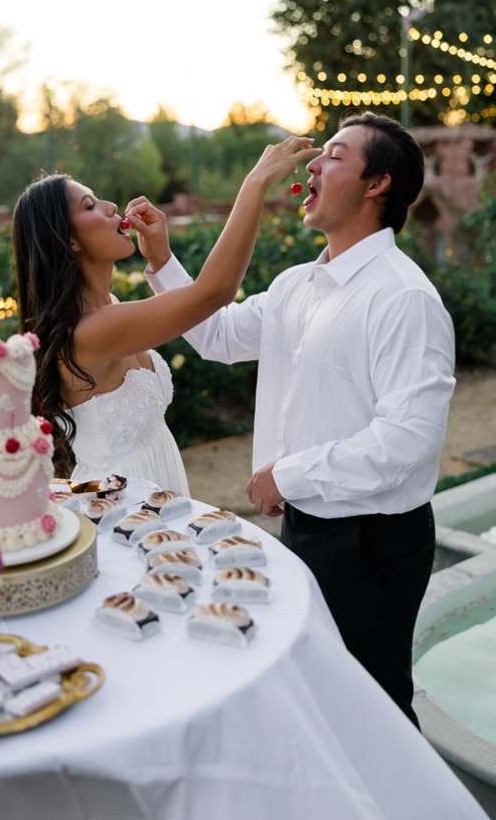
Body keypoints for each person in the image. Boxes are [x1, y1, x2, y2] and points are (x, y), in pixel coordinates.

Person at [145, 111, 456, 726]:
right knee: (319, 693)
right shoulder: (297, 285)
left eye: (334, 155)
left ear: (377, 185)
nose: (312, 163)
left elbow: (409, 439)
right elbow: (215, 334)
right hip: (311, 524)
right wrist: (160, 258)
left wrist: (290, 473)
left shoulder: (404, 298)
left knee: (373, 708)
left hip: (372, 539)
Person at [11, 135, 320, 491]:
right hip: (125, 503)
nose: (112, 207)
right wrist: (256, 183)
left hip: (160, 481)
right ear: (69, 240)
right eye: (91, 205)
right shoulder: (87, 332)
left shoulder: (110, 306)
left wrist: (161, 257)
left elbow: (205, 314)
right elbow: (214, 292)